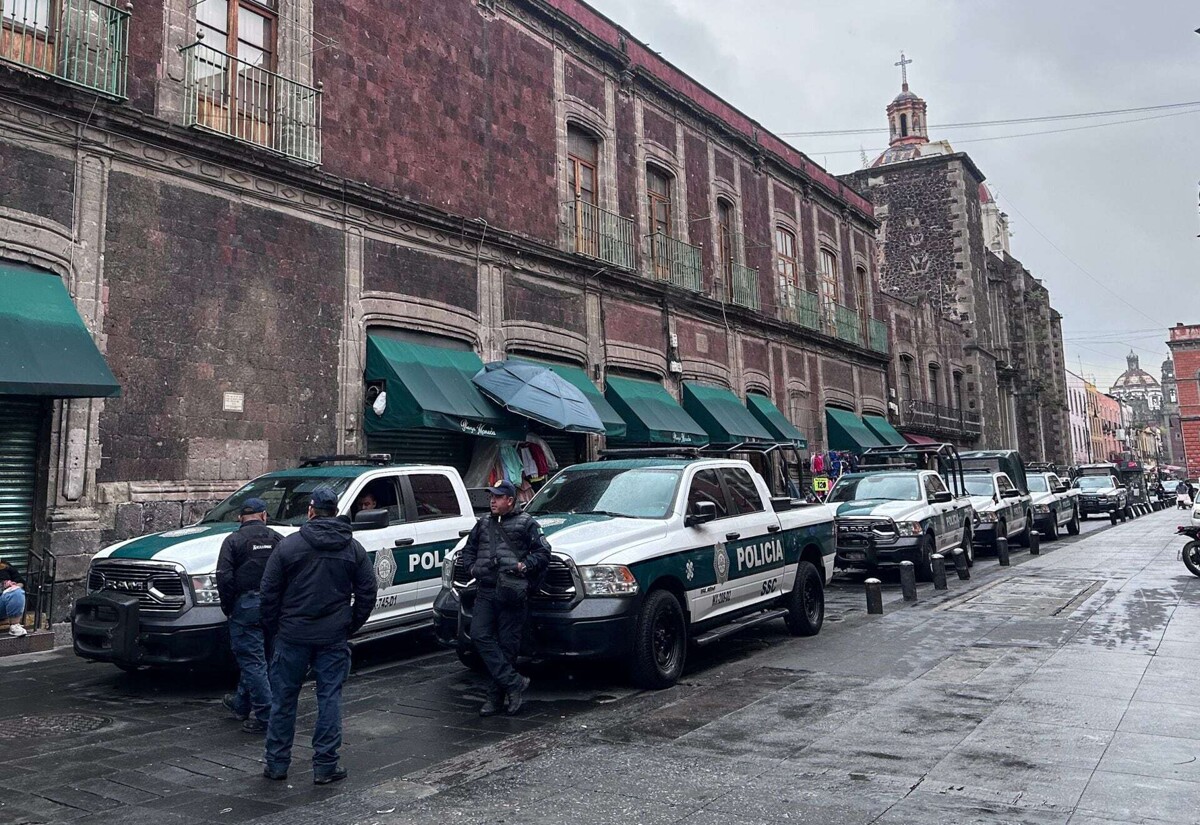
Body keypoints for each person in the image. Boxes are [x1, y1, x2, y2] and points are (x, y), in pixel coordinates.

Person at [259, 486, 376, 785]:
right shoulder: (352, 549)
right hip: (332, 637)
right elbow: (367, 592)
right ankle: (325, 766)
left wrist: (276, 628)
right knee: (329, 699)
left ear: (311, 510)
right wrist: (349, 625)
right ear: (335, 511)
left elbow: (268, 594)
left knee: (284, 700)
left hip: (292, 635)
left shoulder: (288, 546)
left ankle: (276, 764)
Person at [459, 479, 551, 717]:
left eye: (498, 497)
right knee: (479, 636)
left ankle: (495, 697)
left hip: (511, 591)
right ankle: (514, 682)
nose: (492, 500)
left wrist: (523, 565)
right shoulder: (482, 524)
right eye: (492, 496)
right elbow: (468, 550)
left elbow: (543, 552)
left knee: (508, 646)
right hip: (487, 590)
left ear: (510, 500)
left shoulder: (527, 523)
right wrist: (471, 569)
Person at [215, 497, 283, 733]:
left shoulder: (233, 540)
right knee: (263, 658)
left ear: (240, 518)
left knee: (252, 660)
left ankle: (266, 717)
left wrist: (229, 606)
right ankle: (241, 704)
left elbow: (224, 577)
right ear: (264, 515)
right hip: (273, 606)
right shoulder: (277, 539)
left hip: (246, 605)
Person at [0, 563, 25, 637]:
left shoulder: (6, 566)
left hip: (2, 602)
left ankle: (14, 626)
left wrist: (13, 585)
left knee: (17, 591)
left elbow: (21, 582)